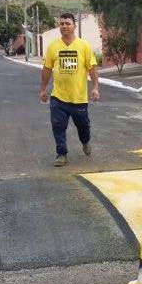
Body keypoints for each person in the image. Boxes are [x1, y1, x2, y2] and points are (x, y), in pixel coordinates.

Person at [39, 12, 100, 167]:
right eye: (62, 23)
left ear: (74, 26)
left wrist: (95, 88)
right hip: (58, 97)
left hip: (79, 99)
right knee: (58, 126)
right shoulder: (53, 46)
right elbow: (47, 69)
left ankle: (85, 142)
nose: (64, 26)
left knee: (83, 127)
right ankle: (61, 154)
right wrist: (43, 89)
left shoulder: (84, 46)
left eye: (67, 23)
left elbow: (92, 67)